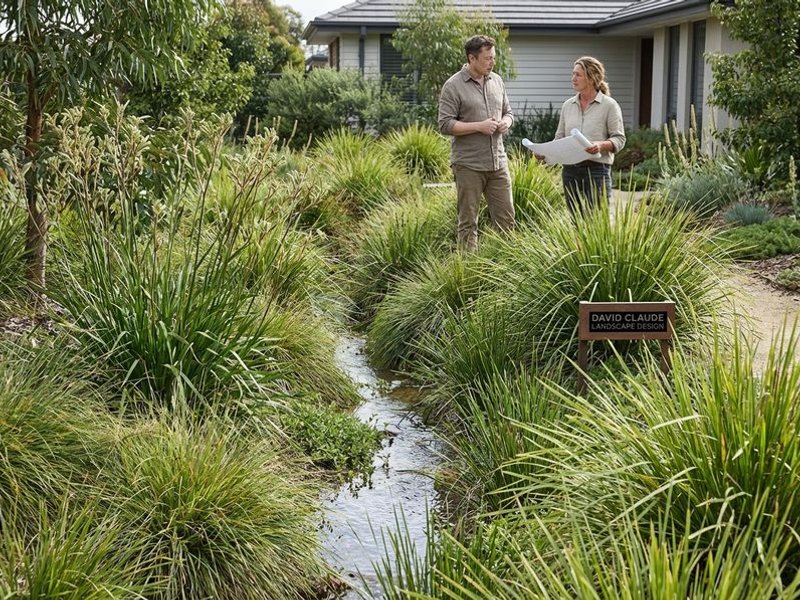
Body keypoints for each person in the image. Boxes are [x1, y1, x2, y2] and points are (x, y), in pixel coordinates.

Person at [438, 35, 515, 251]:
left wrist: (506, 123)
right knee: (468, 223)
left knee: (507, 221)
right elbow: (445, 124)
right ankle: (470, 274)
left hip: (498, 163)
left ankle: (505, 271)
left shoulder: (497, 81)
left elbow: (508, 112)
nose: (492, 62)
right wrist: (478, 126)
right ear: (472, 59)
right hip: (469, 165)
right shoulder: (453, 86)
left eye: (493, 58)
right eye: (487, 58)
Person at [554, 56, 626, 214]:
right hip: (570, 172)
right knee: (576, 221)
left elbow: (619, 139)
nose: (573, 79)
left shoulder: (609, 105)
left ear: (592, 77)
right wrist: (545, 153)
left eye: (578, 75)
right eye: (573, 74)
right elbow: (559, 138)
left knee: (597, 221)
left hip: (597, 170)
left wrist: (601, 145)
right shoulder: (568, 106)